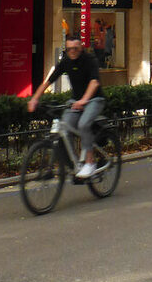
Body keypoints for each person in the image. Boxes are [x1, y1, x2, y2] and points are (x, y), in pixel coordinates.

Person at [28, 35, 105, 179]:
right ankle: (76, 164)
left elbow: (94, 83)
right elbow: (48, 81)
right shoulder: (66, 61)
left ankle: (90, 163)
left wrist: (84, 100)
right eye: (69, 49)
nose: (72, 52)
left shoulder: (89, 60)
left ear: (81, 47)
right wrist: (34, 99)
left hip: (95, 100)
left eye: (75, 48)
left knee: (83, 125)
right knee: (65, 126)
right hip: (76, 101)